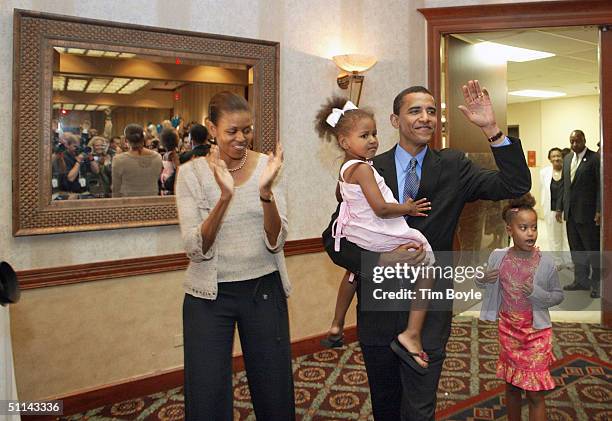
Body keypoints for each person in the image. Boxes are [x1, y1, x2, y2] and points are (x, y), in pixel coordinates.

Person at [322, 81, 531, 420]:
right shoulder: (369, 168)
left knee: (420, 405)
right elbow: (334, 238)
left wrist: (492, 130)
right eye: (415, 110)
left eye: (432, 111)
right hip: (379, 303)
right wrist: (380, 260)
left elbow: (515, 185)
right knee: (385, 403)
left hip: (430, 307)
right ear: (395, 120)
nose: (425, 118)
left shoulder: (454, 166)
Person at [176, 91, 294, 420]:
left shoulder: (269, 168)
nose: (242, 138)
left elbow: (277, 240)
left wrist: (266, 193)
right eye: (232, 131)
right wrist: (224, 198)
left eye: (248, 129)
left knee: (274, 387)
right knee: (206, 391)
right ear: (211, 128)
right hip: (209, 295)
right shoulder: (191, 174)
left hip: (264, 289)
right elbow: (195, 248)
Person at [315, 97, 435, 372]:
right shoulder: (365, 169)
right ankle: (412, 332)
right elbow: (380, 208)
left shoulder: (345, 170)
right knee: (426, 259)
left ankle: (336, 322)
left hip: (356, 229)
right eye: (364, 135)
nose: (372, 140)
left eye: (374, 134)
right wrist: (408, 207)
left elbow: (341, 196)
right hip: (375, 230)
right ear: (345, 142)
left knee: (352, 273)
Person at [478, 193, 563, 421]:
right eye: (523, 228)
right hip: (509, 333)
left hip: (536, 335)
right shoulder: (498, 257)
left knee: (536, 394)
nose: (531, 233)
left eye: (534, 227)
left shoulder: (545, 262)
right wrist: (483, 279)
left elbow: (557, 296)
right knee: (512, 388)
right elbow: (483, 284)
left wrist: (536, 293)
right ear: (509, 230)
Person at [555, 129, 601, 298]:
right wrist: (560, 207)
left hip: (588, 214)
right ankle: (581, 281)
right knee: (576, 250)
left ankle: (597, 285)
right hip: (571, 214)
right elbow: (564, 186)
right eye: (572, 141)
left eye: (578, 141)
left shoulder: (595, 159)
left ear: (584, 140)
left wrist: (599, 210)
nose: (575, 144)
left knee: (592, 250)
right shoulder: (567, 159)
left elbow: (600, 187)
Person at [111, 124, 162, 197]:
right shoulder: (158, 157)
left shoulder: (118, 160)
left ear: (125, 140)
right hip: (152, 203)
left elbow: (115, 189)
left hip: (128, 204)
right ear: (143, 138)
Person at [539, 147, 569, 266]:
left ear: (562, 157)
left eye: (558, 156)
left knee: (567, 236)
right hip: (550, 209)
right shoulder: (544, 173)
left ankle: (568, 260)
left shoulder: (568, 171)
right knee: (553, 236)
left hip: (566, 209)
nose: (556, 158)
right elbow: (543, 190)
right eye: (553, 156)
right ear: (549, 159)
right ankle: (556, 260)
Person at [159, 127, 179, 195]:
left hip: (168, 183)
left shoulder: (168, 155)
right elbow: (178, 169)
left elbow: (177, 169)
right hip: (168, 183)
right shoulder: (171, 155)